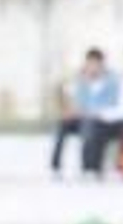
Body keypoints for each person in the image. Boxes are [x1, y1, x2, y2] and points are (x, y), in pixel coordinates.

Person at [50, 48, 119, 178]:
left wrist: (89, 112)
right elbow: (77, 101)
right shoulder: (81, 80)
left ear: (101, 64)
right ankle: (55, 166)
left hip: (102, 120)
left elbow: (112, 104)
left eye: (95, 64)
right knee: (62, 124)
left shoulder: (112, 81)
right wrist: (71, 111)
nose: (93, 67)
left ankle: (88, 167)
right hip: (82, 117)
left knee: (89, 125)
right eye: (90, 63)